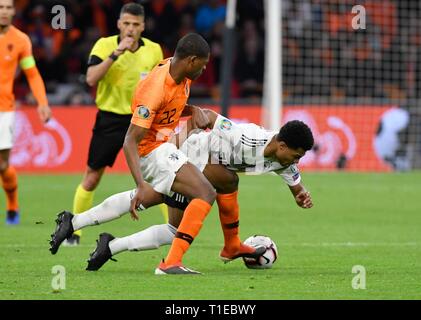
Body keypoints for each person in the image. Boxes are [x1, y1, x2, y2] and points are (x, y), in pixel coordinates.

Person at [50, 33, 264, 275]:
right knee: (204, 192)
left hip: (169, 147)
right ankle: (170, 264)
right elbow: (130, 140)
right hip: (152, 152)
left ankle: (88, 231)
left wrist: (192, 109)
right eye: (203, 65)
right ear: (191, 60)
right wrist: (140, 182)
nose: (204, 70)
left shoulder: (180, 70)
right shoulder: (154, 89)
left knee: (174, 225)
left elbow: (170, 106)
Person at [85, 111, 314, 271]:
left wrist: (300, 194)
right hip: (191, 154)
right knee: (226, 180)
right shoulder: (246, 137)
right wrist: (172, 146)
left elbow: (294, 181)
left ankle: (107, 244)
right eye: (297, 155)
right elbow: (207, 115)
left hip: (202, 165)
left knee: (168, 222)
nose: (297, 161)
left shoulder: (283, 160)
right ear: (282, 146)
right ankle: (213, 250)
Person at [68, 2, 164, 245]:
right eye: (127, 24)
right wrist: (116, 54)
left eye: (135, 24)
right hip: (110, 118)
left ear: (143, 26)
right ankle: (74, 231)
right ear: (119, 24)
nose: (130, 29)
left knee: (161, 176)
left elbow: (160, 86)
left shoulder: (154, 51)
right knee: (92, 177)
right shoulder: (105, 45)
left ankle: (171, 229)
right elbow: (91, 78)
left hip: (141, 120)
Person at [0, 0, 51, 224]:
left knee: (2, 165)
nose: (4, 12)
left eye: (8, 7)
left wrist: (42, 102)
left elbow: (31, 73)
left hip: (4, 109)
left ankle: (12, 205)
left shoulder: (20, 40)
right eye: (0, 7)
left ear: (14, 10)